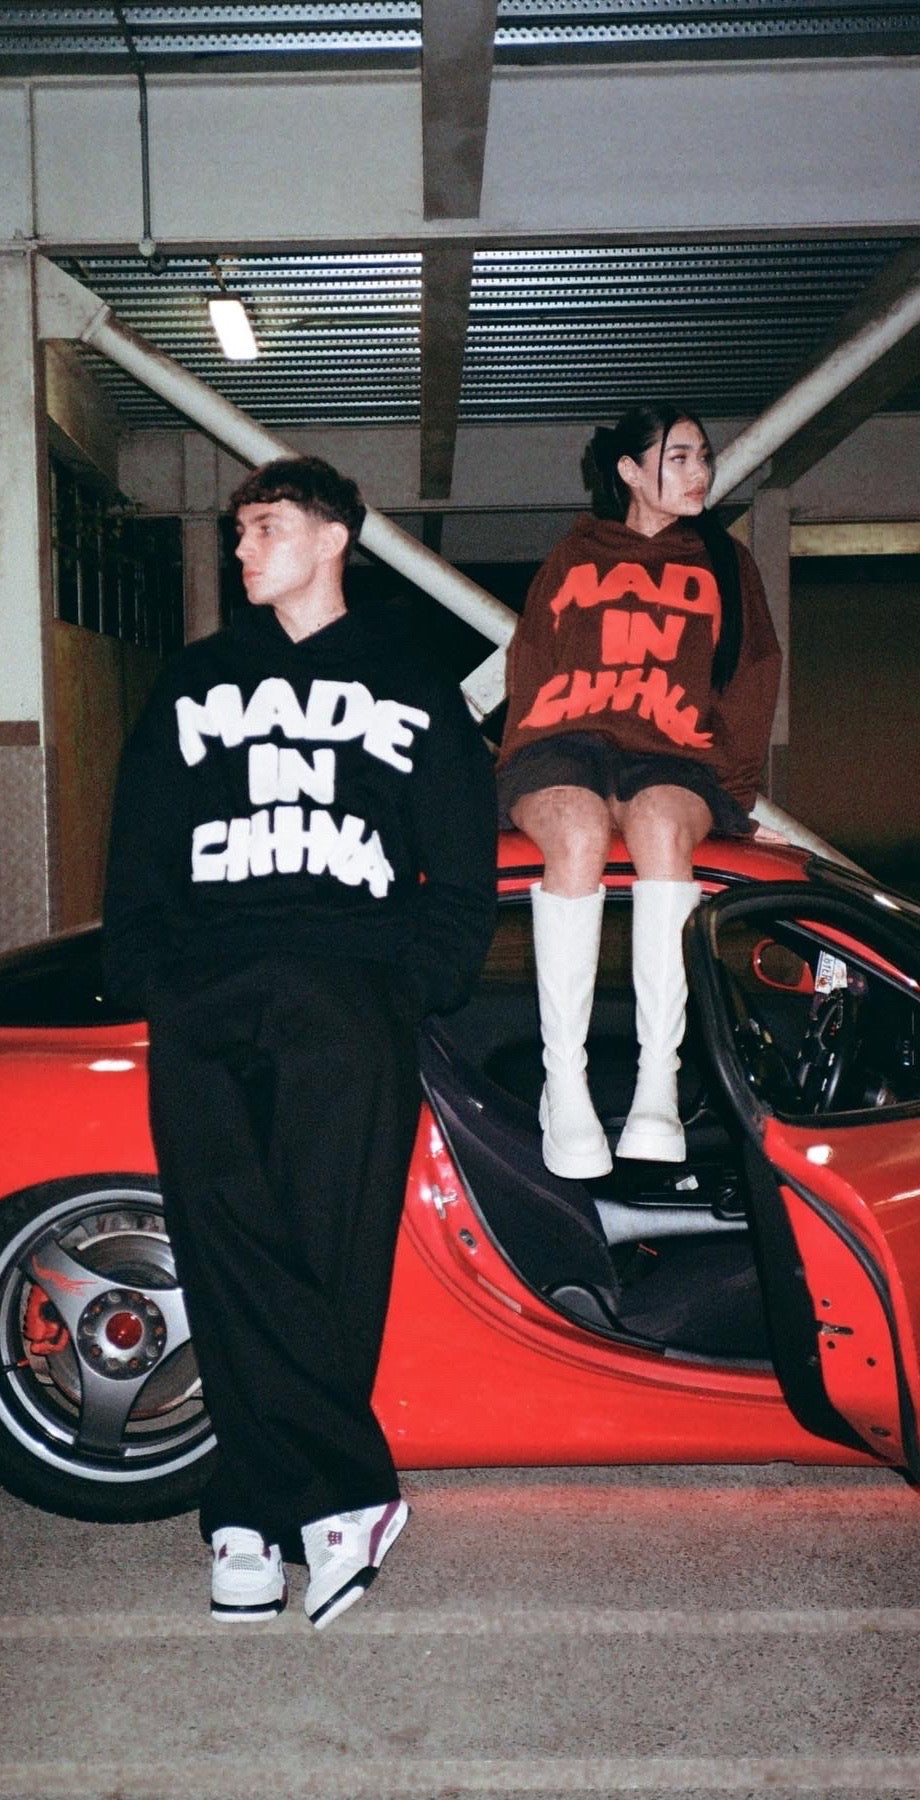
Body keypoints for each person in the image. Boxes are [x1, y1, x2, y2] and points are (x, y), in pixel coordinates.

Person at [103, 456, 496, 1629]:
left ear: (332, 537)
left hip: (349, 990)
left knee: (330, 1251)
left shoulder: (409, 684)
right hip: (207, 992)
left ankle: (254, 1510)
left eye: (263, 526)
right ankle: (329, 1498)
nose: (241, 548)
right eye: (237, 531)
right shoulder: (194, 683)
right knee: (225, 1247)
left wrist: (411, 987)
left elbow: (459, 859)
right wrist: (154, 982)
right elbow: (139, 846)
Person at [496, 403, 782, 1180]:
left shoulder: (723, 561)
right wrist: (517, 767)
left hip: (673, 753)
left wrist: (735, 799)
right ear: (628, 470)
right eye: (679, 457)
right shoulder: (574, 553)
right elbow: (532, 664)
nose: (701, 473)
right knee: (578, 831)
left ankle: (660, 1082)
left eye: (703, 457)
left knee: (660, 827)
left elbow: (752, 679)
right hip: (563, 743)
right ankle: (566, 1083)